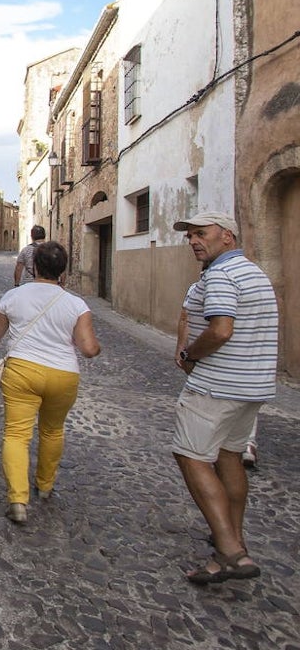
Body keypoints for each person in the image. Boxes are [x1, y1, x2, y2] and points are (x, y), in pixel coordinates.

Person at [171, 211, 277, 584]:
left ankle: (231, 550)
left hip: (217, 386)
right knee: (229, 457)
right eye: (191, 236)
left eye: (202, 234)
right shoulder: (254, 273)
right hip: (251, 388)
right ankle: (230, 546)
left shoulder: (220, 275)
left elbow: (221, 329)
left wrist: (190, 355)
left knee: (191, 456)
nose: (194, 241)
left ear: (227, 237)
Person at [0, 240, 100, 524]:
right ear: (63, 273)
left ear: (33, 267)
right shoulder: (76, 304)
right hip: (63, 375)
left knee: (16, 435)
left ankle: (18, 500)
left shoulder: (14, 296)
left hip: (21, 371)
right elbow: (88, 349)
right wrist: (97, 347)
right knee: (52, 431)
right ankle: (45, 486)